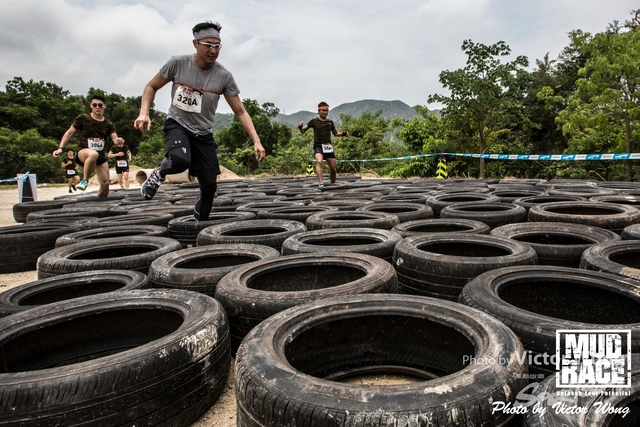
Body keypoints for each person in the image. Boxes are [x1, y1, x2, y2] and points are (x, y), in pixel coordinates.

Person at [134, 20, 265, 221]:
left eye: (217, 46)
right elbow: (150, 87)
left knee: (209, 186)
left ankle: (198, 227)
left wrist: (256, 140)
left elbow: (240, 111)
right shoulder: (177, 64)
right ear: (195, 44)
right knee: (179, 160)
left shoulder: (224, 76)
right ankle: (159, 173)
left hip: (203, 133)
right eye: (208, 45)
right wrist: (144, 112)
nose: (213, 51)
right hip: (178, 123)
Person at [53, 95, 120, 197]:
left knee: (105, 184)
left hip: (100, 155)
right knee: (93, 154)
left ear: (104, 106)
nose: (97, 107)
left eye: (100, 105)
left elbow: (115, 138)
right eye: (95, 105)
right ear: (91, 106)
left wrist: (118, 141)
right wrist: (60, 148)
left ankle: (101, 204)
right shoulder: (82, 118)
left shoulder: (108, 124)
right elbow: (69, 133)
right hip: (83, 151)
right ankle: (85, 180)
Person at [298, 102, 348, 188]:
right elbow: (303, 131)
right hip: (318, 146)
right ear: (319, 111)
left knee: (333, 169)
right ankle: (321, 183)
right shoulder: (314, 121)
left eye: (326, 111)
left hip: (328, 146)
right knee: (319, 161)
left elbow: (335, 133)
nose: (325, 112)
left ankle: (333, 185)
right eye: (323, 110)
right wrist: (300, 127)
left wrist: (343, 134)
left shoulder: (330, 122)